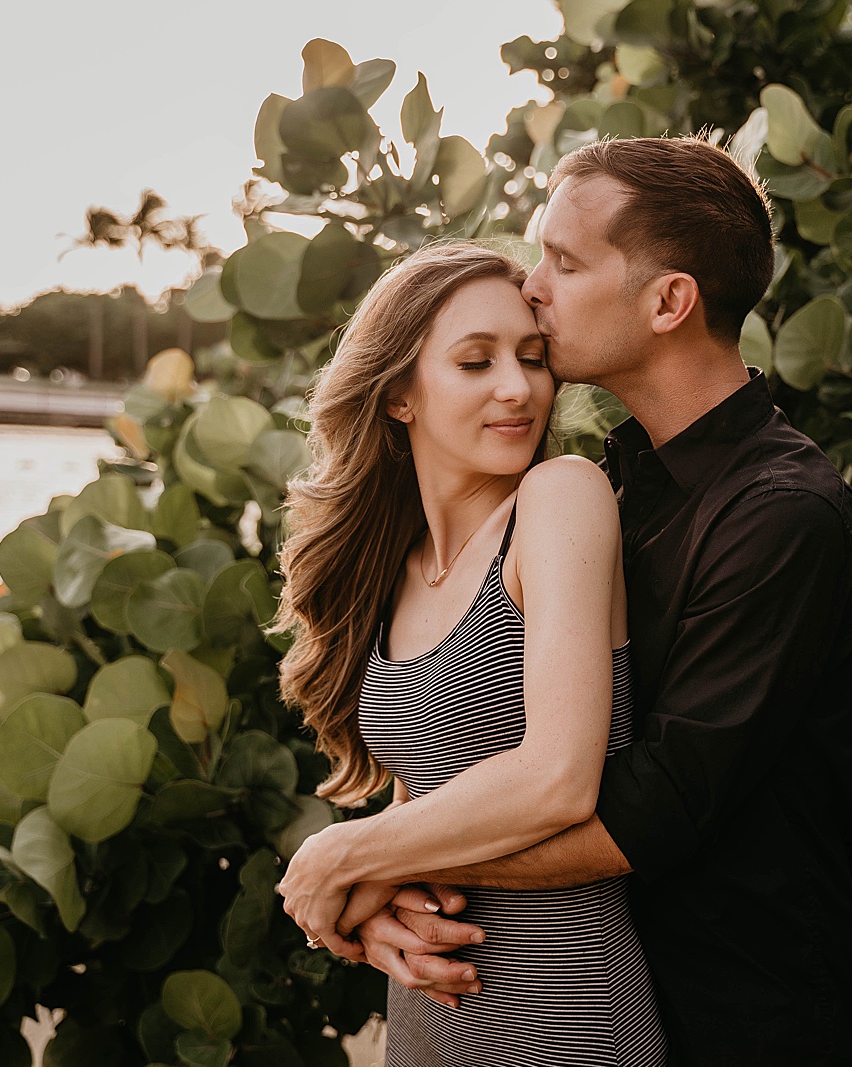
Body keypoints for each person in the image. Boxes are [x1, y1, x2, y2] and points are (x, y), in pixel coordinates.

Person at [306, 137, 852, 1065]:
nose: (534, 284)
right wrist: (387, 883)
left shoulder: (785, 518)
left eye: (565, 261)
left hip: (743, 1022)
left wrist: (368, 862)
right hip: (552, 991)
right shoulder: (620, 483)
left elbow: (644, 809)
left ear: (669, 302)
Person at [272, 241, 666, 1066]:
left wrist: (342, 856)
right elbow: (431, 804)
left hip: (566, 1024)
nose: (518, 387)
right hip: (427, 1020)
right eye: (475, 361)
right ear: (399, 396)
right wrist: (377, 908)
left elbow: (557, 777)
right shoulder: (396, 564)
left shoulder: (559, 498)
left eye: (531, 357)